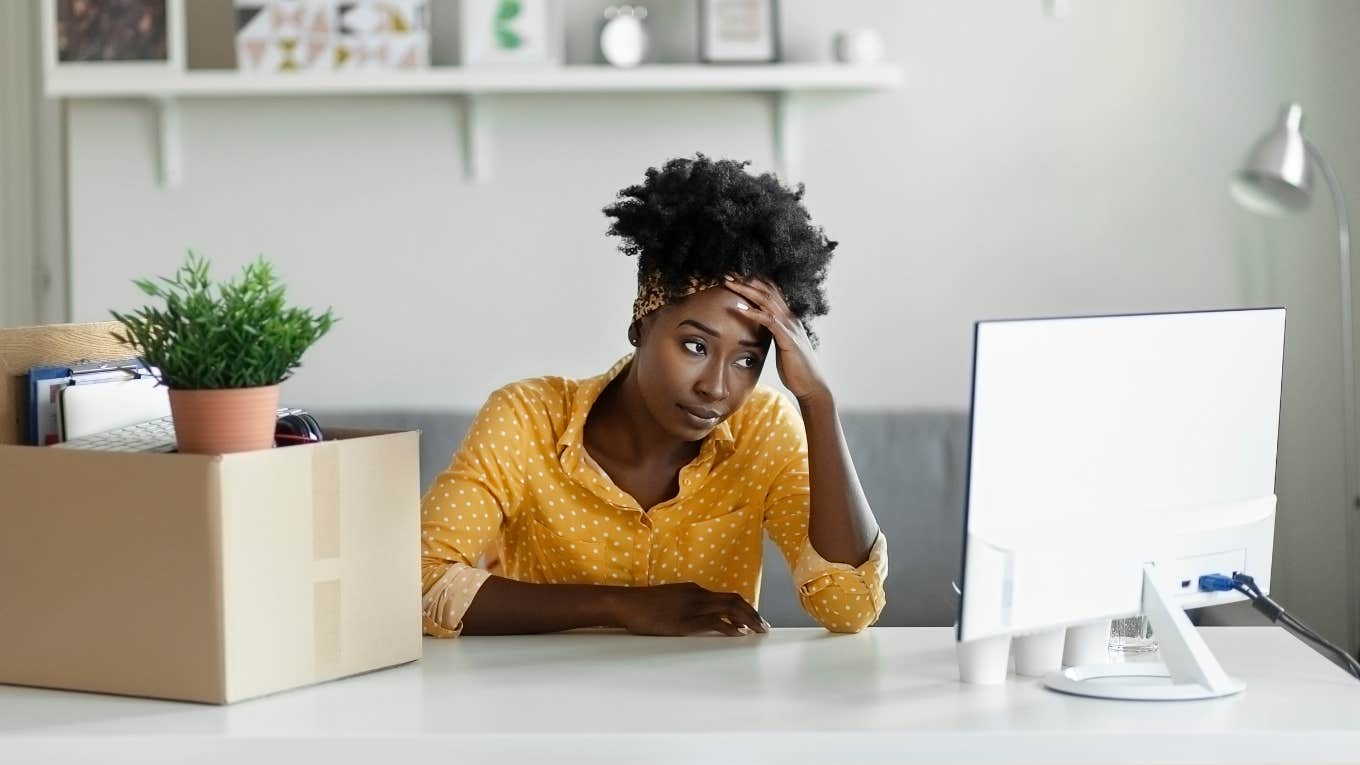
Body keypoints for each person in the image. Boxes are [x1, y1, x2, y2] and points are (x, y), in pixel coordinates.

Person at [421, 155, 887, 638]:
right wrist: (618, 606)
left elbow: (848, 607)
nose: (716, 385)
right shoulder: (528, 419)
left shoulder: (764, 428)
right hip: (544, 700)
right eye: (695, 346)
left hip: (707, 705)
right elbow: (419, 581)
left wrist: (818, 400)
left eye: (747, 359)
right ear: (641, 326)